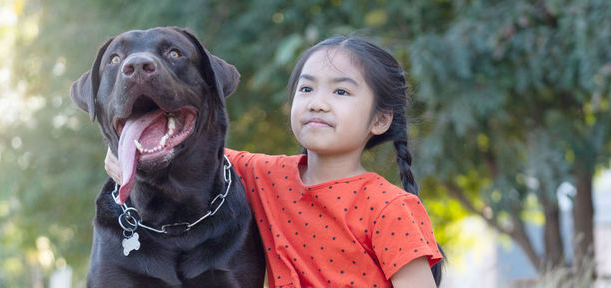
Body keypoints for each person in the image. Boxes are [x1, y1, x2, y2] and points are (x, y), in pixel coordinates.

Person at [105, 35, 443, 287]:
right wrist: (123, 152)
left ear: (380, 120)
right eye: (306, 89)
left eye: (341, 92)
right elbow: (189, 151)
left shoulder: (391, 207)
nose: (318, 103)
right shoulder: (266, 176)